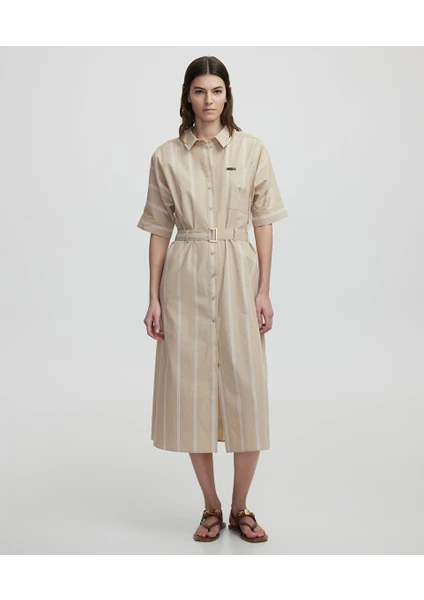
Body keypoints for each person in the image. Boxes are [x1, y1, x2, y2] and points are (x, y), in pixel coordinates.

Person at [136, 56, 289, 543]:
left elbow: (264, 223)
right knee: (191, 391)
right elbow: (158, 229)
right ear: (188, 95)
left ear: (228, 95)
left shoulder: (252, 149)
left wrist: (264, 289)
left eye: (217, 90)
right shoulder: (166, 156)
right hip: (184, 275)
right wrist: (153, 298)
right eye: (200, 90)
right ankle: (211, 505)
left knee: (246, 389)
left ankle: (242, 506)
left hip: (239, 275)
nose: (209, 100)